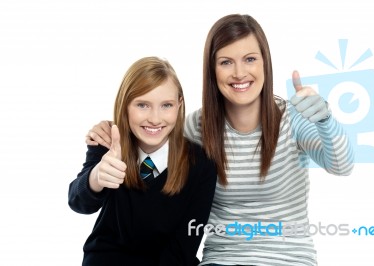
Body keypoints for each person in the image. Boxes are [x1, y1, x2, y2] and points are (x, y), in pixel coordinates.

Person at [85, 14, 354, 266]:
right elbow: (151, 147)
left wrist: (325, 120)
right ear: (212, 70)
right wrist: (109, 129)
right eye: (226, 62)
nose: (239, 73)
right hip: (222, 259)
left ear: (265, 63)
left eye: (250, 59)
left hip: (289, 258)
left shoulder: (293, 119)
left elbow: (342, 165)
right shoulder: (196, 127)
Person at [68, 56, 217, 266]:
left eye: (166, 105)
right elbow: (77, 202)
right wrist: (97, 176)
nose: (155, 119)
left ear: (179, 104)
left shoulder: (201, 166)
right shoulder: (108, 143)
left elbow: (184, 247)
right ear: (125, 104)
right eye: (142, 105)